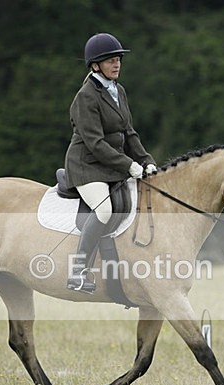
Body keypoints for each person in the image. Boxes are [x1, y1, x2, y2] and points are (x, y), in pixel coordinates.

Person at [64, 32, 157, 294]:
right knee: (104, 211)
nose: (116, 64)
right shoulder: (86, 96)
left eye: (118, 60)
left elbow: (129, 133)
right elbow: (95, 143)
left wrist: (146, 160)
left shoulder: (119, 91)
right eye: (110, 61)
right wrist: (128, 165)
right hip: (86, 165)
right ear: (95, 65)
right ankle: (78, 271)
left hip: (109, 163)